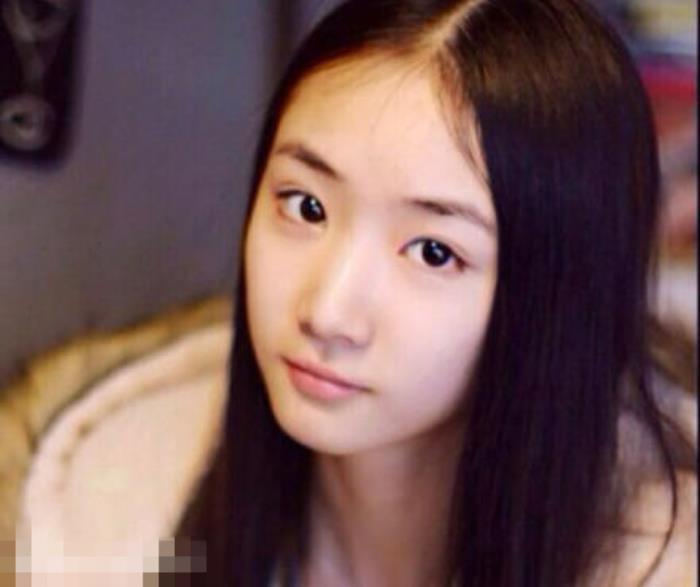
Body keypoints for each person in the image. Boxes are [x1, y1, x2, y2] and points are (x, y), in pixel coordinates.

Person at [177, 1, 697, 585]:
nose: (327, 312)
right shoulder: (132, 511)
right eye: (307, 207)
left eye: (433, 252)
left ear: (558, 298)